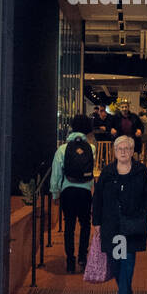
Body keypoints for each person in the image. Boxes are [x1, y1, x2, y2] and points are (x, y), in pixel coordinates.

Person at [91, 135, 147, 294]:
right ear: (114, 152)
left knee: (127, 258)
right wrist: (96, 221)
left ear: (132, 151)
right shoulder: (107, 172)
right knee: (115, 260)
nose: (123, 152)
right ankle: (126, 288)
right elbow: (97, 198)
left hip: (132, 224)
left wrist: (142, 212)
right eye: (119, 149)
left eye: (127, 149)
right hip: (112, 224)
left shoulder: (141, 171)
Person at [50, 114, 96, 273]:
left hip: (68, 191)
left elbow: (56, 173)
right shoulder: (92, 148)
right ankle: (83, 257)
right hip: (84, 191)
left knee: (69, 225)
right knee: (85, 224)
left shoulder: (62, 149)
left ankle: (70, 260)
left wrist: (55, 193)